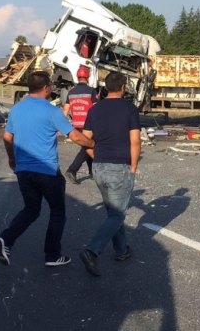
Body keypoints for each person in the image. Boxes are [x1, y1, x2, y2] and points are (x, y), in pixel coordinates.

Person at [0, 71, 95, 267]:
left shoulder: (17, 110)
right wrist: (93, 144)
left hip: (24, 171)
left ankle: (6, 238)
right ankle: (52, 255)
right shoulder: (52, 111)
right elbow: (74, 136)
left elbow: (7, 138)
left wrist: (12, 159)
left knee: (31, 210)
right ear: (46, 87)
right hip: (47, 172)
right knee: (58, 212)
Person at [79, 72, 141, 276]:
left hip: (98, 168)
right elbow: (135, 141)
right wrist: (133, 168)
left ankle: (122, 250)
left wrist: (94, 153)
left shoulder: (95, 110)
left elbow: (83, 138)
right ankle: (91, 251)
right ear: (123, 87)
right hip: (119, 168)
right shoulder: (129, 109)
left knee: (113, 212)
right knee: (117, 214)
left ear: (106, 87)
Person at [64, 66, 98, 185]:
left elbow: (66, 110)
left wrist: (63, 126)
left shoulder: (71, 92)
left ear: (78, 77)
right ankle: (72, 170)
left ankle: (92, 172)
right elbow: (96, 109)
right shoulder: (91, 91)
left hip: (77, 125)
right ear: (88, 77)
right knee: (89, 146)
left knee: (87, 146)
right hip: (89, 125)